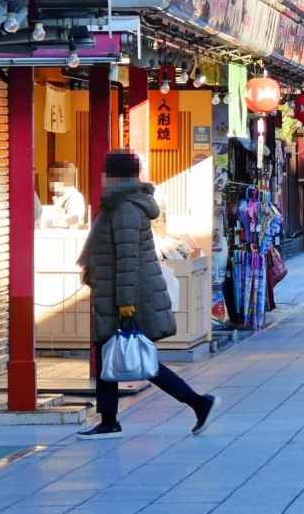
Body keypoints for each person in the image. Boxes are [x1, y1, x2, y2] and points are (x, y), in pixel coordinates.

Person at [77, 149, 219, 439]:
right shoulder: (118, 204)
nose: (101, 177)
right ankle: (109, 421)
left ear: (114, 175)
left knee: (139, 360)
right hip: (116, 294)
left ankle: (197, 402)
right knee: (111, 354)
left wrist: (126, 303)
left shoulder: (125, 207)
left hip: (126, 297)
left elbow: (127, 259)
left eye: (105, 171)